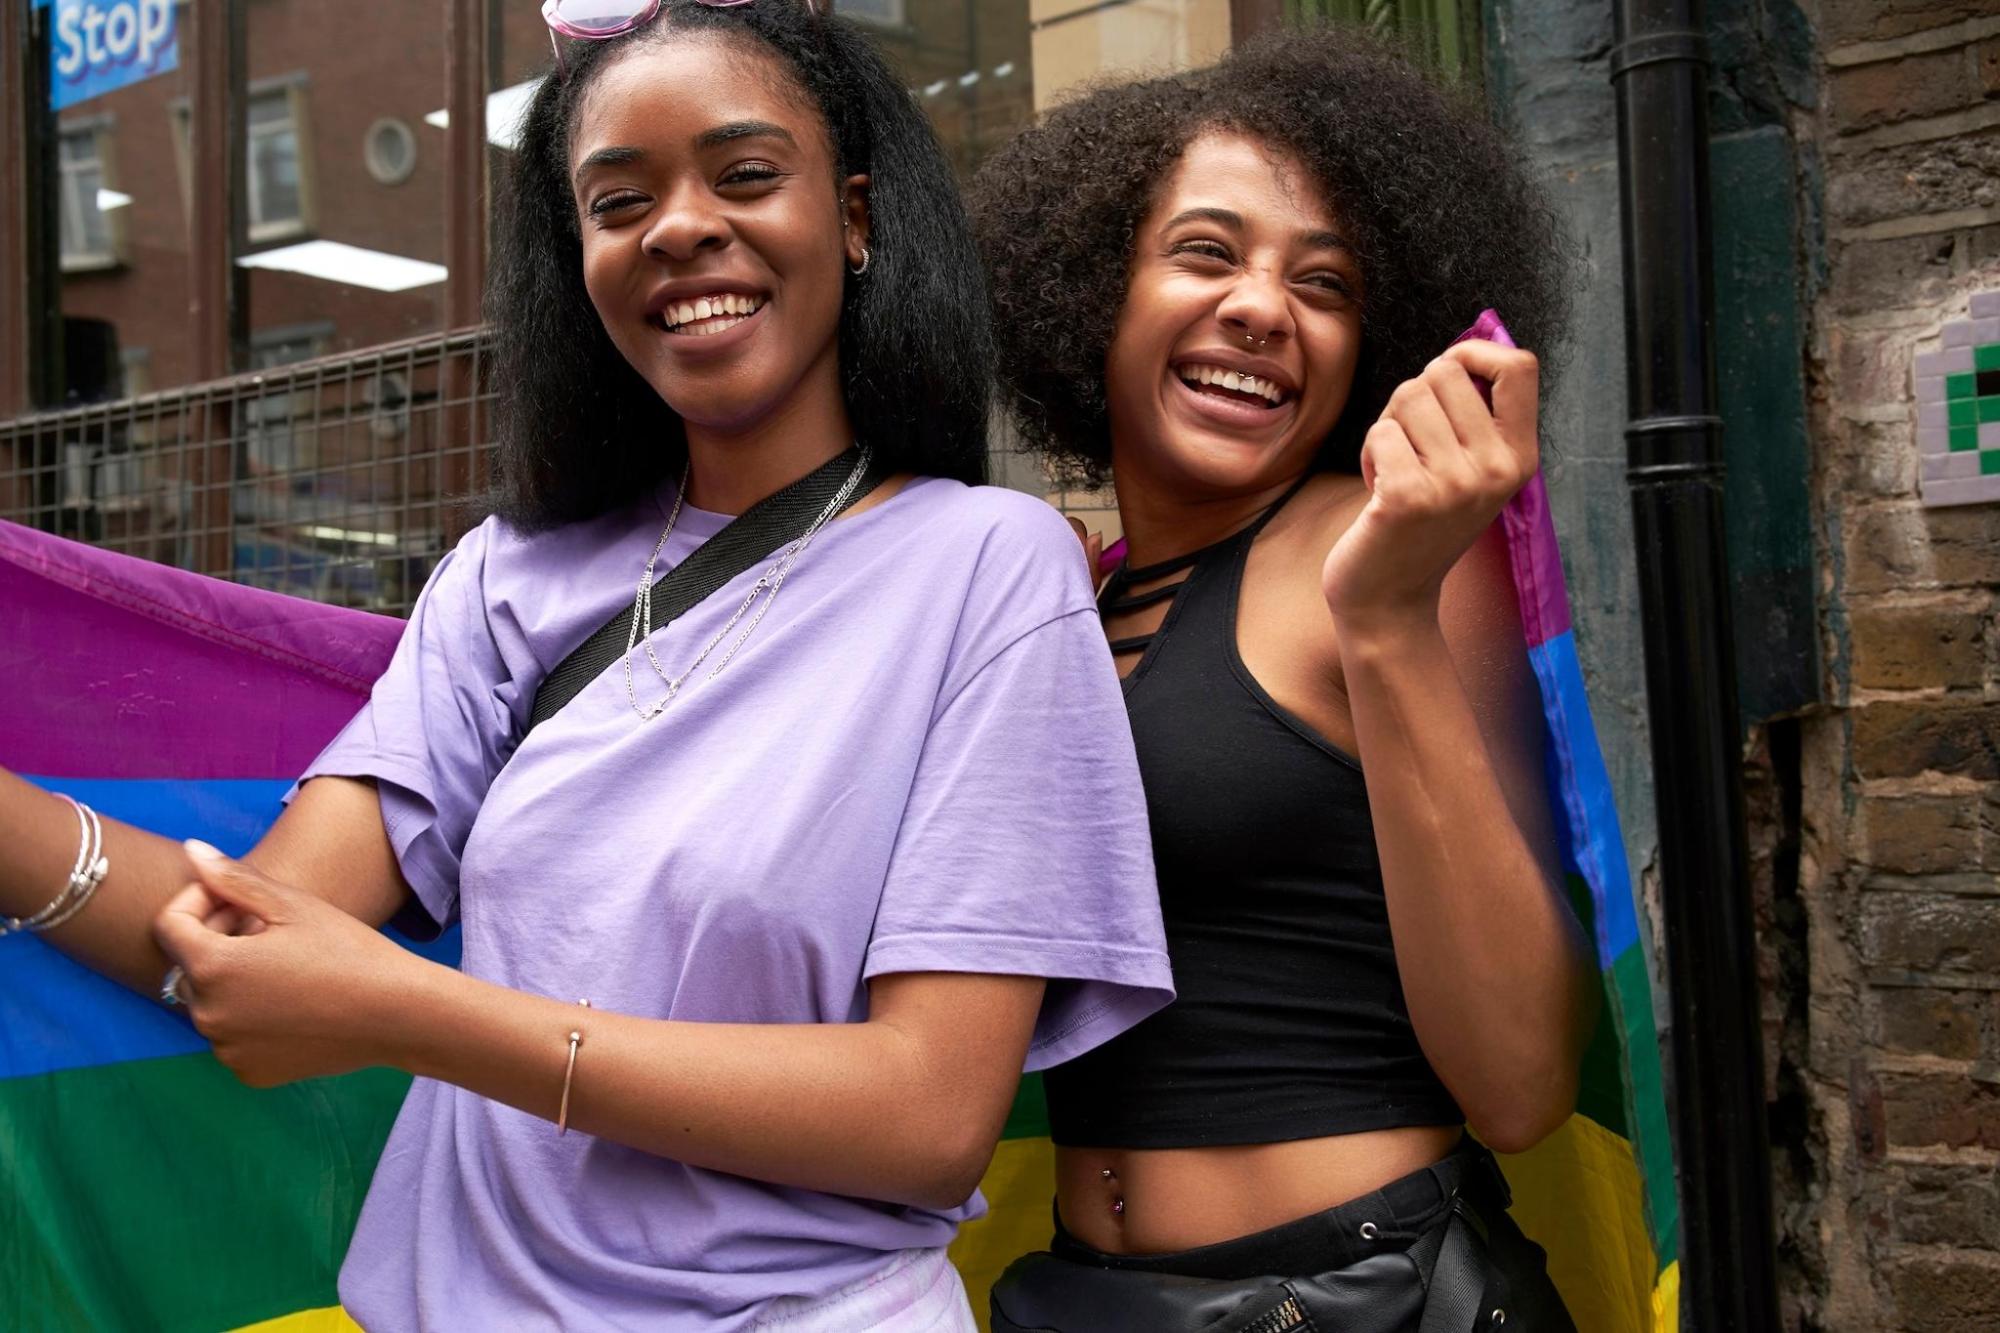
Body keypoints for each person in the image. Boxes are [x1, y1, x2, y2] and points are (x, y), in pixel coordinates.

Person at [0, 1, 1172, 1327]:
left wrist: (415, 1012)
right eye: (620, 201)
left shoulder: (990, 569)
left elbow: (927, 1115)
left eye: (742, 174)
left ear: (852, 216)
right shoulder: (509, 573)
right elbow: (238, 937)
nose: (676, 226)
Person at [970, 25, 1594, 1330]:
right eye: (1206, 252)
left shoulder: (1389, 559)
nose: (1263, 306)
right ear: (1094, 292)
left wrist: (1382, 618)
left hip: (1363, 1293)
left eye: (1326, 283)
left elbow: (1525, 1081)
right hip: (1078, 1295)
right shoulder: (1073, 596)